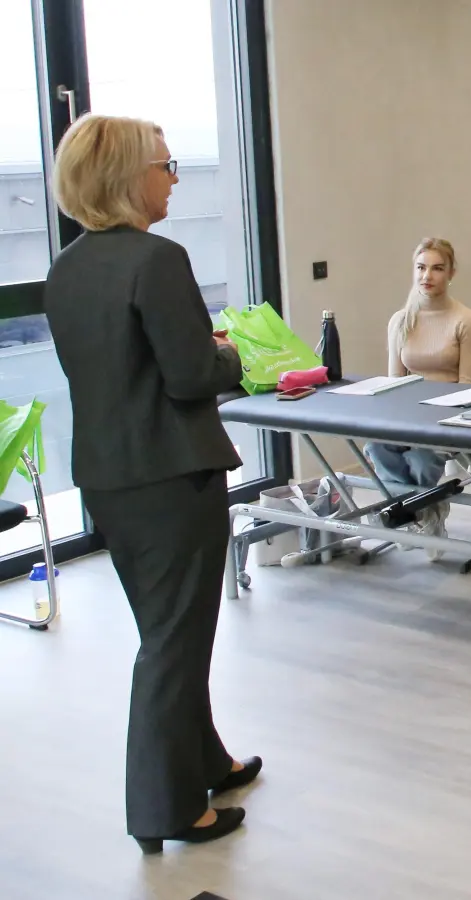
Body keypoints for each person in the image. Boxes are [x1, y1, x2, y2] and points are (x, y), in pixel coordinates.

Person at [43, 114, 258, 852]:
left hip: (109, 479)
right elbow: (193, 375)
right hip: (172, 477)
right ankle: (166, 809)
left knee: (170, 635)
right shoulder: (156, 259)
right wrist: (228, 355)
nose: (173, 179)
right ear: (129, 177)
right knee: (172, 646)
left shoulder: (65, 269)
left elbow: (119, 370)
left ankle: (208, 762)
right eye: (166, 166)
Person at [367, 237, 471, 555]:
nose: (426, 276)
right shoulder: (400, 321)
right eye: (421, 268)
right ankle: (418, 511)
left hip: (446, 421)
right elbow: (393, 384)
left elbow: (468, 387)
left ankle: (424, 514)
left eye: (436, 268)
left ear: (451, 273)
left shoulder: (464, 320)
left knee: (420, 456)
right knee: (377, 447)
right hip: (408, 417)